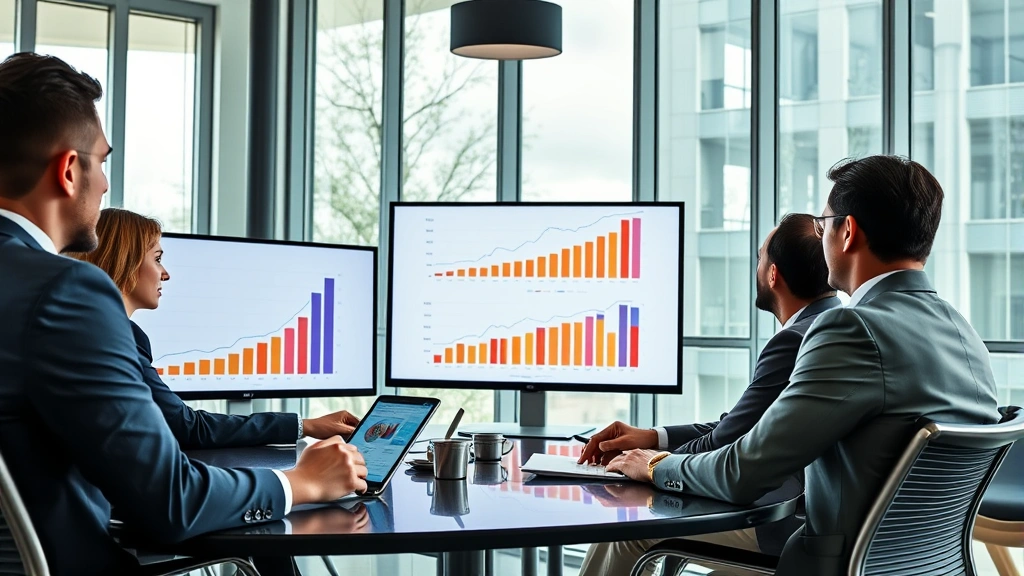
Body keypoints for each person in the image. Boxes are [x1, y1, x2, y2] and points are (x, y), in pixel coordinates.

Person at [0, 52, 367, 576]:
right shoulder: (67, 292)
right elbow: (171, 502)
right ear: (68, 170)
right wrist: (301, 481)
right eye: (102, 162)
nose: (105, 184)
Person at [602, 155, 1001, 576]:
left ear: (847, 232)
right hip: (929, 568)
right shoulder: (964, 333)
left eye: (822, 223)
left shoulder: (851, 328)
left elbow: (746, 470)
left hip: (834, 568)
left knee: (632, 529)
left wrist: (654, 464)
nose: (820, 235)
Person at [577, 213, 841, 576]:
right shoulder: (827, 324)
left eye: (761, 256)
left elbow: (730, 439)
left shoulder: (796, 340)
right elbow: (737, 425)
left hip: (784, 525)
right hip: (805, 520)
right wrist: (653, 437)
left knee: (624, 532)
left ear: (773, 274)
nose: (758, 265)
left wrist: (653, 462)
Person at [66, 207, 360, 448]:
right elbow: (186, 427)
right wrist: (304, 427)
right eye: (157, 259)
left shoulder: (83, 329)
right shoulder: (118, 337)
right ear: (126, 262)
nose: (165, 274)